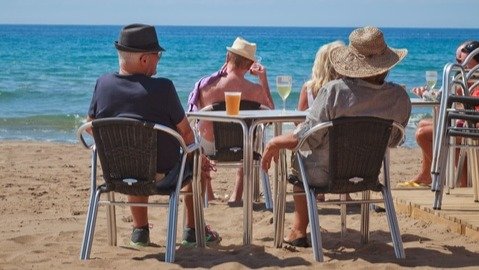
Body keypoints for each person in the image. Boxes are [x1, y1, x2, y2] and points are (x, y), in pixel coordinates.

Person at [261, 26, 411, 247]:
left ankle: (298, 231)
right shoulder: (399, 96)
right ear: (386, 65)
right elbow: (395, 139)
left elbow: (308, 137)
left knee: (297, 166)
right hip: (368, 174)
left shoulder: (334, 92)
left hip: (325, 175)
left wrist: (275, 141)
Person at [86, 23, 220, 247]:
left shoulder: (103, 85)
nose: (159, 59)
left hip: (117, 174)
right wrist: (201, 158)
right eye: (157, 55)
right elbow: (186, 134)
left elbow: (91, 127)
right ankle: (192, 231)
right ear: (144, 59)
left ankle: (140, 231)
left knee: (133, 159)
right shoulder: (163, 88)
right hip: (163, 177)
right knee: (196, 164)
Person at [187, 37, 274, 205]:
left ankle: (209, 195)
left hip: (211, 147)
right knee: (249, 137)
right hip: (245, 147)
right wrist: (263, 80)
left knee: (201, 132)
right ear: (250, 66)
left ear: (228, 58)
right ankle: (236, 195)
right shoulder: (256, 90)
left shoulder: (206, 87)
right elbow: (270, 115)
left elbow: (195, 118)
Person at [400, 40, 479, 187]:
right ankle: (426, 175)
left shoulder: (472, 78)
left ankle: (461, 179)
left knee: (422, 133)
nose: (460, 64)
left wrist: (438, 99)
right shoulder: (467, 77)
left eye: (463, 60)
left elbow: (465, 106)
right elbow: (460, 103)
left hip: (471, 126)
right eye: (458, 60)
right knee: (423, 124)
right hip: (468, 122)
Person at [296, 40, 345, 202]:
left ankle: (317, 192)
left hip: (318, 157)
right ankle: (346, 193)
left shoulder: (309, 89)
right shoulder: (350, 91)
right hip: (347, 160)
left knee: (306, 147)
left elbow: (299, 121)